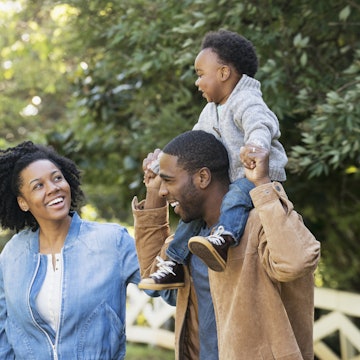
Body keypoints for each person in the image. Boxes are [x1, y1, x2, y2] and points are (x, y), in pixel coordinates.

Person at [132, 130, 320, 359]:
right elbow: (153, 279)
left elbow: (297, 262)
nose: (163, 191)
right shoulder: (190, 241)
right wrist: (152, 192)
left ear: (202, 178)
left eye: (168, 181)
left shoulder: (262, 224)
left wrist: (262, 184)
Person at [139, 29, 288, 290]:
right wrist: (162, 162)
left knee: (232, 200)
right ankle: (174, 264)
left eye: (200, 74)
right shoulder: (211, 111)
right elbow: (193, 143)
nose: (197, 82)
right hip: (234, 177)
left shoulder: (246, 99)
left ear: (223, 73)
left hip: (253, 177)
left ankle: (223, 239)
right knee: (191, 220)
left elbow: (261, 123)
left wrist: (256, 145)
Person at [0, 141, 174, 360]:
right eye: (38, 185)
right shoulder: (12, 254)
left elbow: (166, 285)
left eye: (57, 178)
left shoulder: (111, 241)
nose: (53, 188)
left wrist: (154, 192)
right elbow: (3, 332)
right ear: (23, 202)